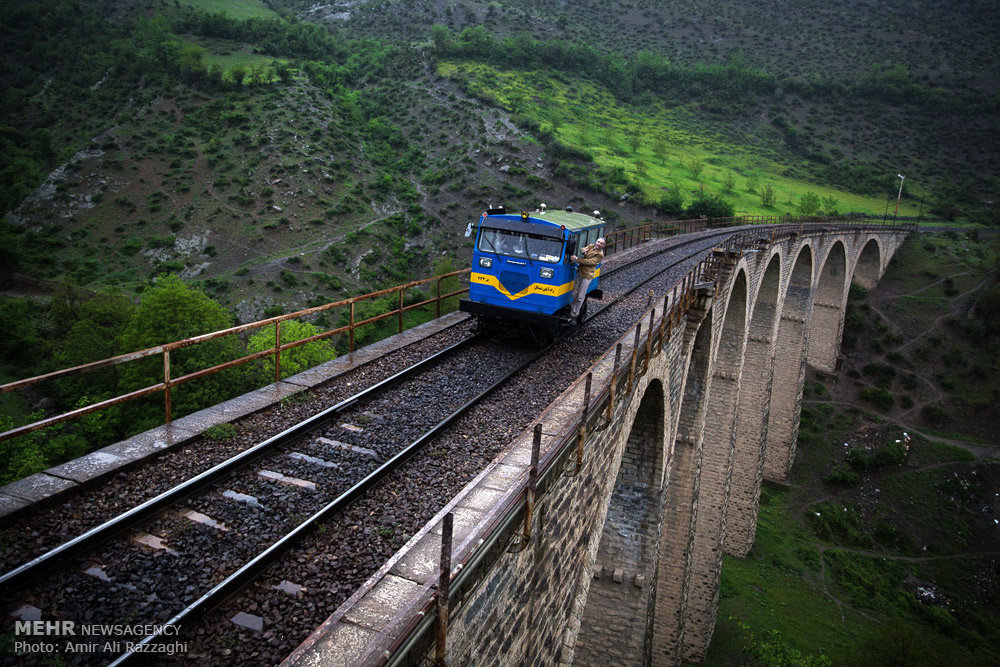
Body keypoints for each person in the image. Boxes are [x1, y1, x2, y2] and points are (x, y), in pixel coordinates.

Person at [568, 237, 605, 321]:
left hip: (587, 275)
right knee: (574, 293)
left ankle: (574, 314)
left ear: (603, 245)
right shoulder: (591, 246)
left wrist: (577, 259)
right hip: (580, 272)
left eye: (601, 243)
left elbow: (590, 262)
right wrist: (583, 251)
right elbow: (583, 249)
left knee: (580, 296)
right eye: (598, 241)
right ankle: (572, 309)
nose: (599, 244)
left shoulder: (600, 255)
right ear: (596, 242)